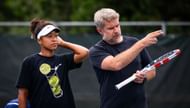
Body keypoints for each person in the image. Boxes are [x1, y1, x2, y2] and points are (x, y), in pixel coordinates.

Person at [89, 8, 164, 108]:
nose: (116, 30)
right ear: (99, 30)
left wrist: (143, 77)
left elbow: (152, 70)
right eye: (111, 28)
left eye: (117, 25)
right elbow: (115, 64)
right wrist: (141, 43)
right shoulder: (96, 51)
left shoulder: (134, 42)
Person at [16, 18, 89, 108]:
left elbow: (85, 52)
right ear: (39, 40)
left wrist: (63, 43)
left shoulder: (63, 60)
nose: (54, 39)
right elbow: (22, 92)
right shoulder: (30, 62)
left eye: (56, 36)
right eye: (49, 36)